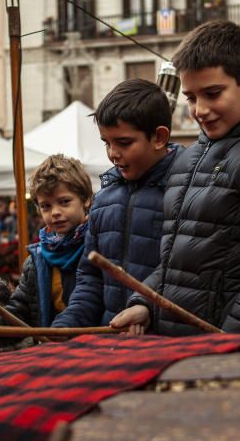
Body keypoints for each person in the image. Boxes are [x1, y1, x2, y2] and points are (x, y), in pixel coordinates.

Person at [110, 20, 240, 335]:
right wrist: (144, 304)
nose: (200, 109)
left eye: (212, 93)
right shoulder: (189, 158)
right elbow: (175, 265)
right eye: (191, 97)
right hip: (182, 346)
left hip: (230, 351)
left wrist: (229, 344)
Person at [53, 78, 181, 329]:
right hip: (112, 340)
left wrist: (146, 306)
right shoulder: (103, 199)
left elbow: (185, 273)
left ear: (159, 137)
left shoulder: (187, 191)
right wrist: (67, 324)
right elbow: (90, 278)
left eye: (123, 143)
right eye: (106, 143)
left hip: (168, 342)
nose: (112, 153)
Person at [0, 155, 92, 328]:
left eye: (64, 202)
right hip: (53, 350)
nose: (55, 212)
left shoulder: (100, 246)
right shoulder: (36, 260)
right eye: (46, 206)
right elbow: (18, 313)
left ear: (86, 200)